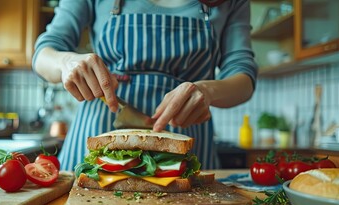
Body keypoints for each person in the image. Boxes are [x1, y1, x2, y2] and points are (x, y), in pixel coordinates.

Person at [32, 0, 257, 171]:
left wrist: (207, 91)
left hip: (184, 152)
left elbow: (243, 74)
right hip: (99, 136)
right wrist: (65, 61)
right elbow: (44, 53)